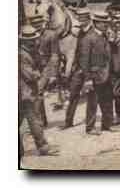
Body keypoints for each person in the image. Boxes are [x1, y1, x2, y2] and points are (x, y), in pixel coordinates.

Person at [64, 10, 114, 135]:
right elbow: (84, 61)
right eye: (102, 23)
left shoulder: (104, 35)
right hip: (94, 75)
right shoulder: (88, 38)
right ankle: (90, 128)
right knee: (93, 102)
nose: (105, 25)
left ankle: (106, 125)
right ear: (96, 23)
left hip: (105, 74)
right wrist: (88, 79)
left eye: (106, 23)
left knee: (107, 100)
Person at [20, 25, 59, 157]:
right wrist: (39, 73)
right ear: (24, 41)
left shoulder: (28, 52)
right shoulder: (22, 55)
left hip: (25, 93)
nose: (34, 42)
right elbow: (30, 75)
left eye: (34, 39)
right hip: (26, 93)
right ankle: (43, 147)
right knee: (35, 120)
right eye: (31, 40)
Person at [30, 13, 60, 127]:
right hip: (33, 68)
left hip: (46, 67)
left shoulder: (51, 35)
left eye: (38, 23)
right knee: (36, 94)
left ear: (43, 23)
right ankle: (42, 120)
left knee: (38, 92)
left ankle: (38, 123)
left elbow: (55, 54)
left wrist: (53, 74)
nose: (37, 26)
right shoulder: (29, 35)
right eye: (34, 24)